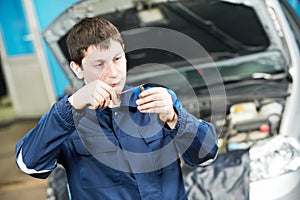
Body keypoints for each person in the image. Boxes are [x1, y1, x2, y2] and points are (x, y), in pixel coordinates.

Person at [15, 17, 218, 200]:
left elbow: (206, 155)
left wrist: (175, 117)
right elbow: (29, 164)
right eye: (99, 64)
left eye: (117, 59)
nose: (114, 73)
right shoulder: (65, 119)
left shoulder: (156, 100)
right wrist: (72, 106)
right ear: (77, 69)